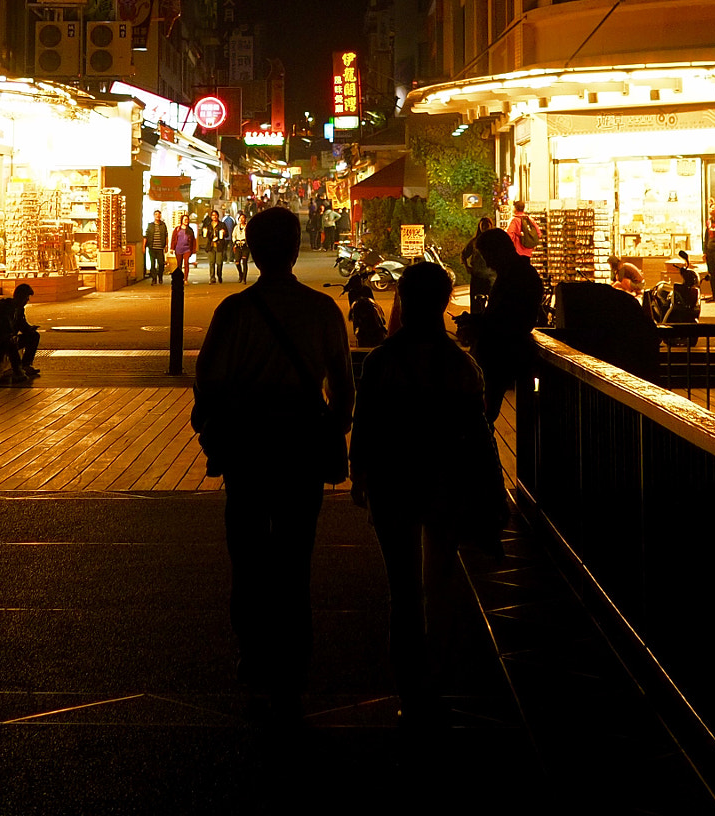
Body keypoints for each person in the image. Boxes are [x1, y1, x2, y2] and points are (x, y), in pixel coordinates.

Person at [192, 207, 354, 725]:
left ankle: (254, 652)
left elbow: (209, 380)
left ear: (254, 252)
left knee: (247, 551)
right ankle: (293, 665)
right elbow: (344, 386)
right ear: (296, 247)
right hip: (302, 444)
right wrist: (336, 427)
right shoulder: (323, 309)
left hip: (247, 444)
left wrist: (209, 426)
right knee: (294, 556)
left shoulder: (234, 312)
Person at [350, 260, 505, 729]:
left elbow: (366, 428)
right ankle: (436, 678)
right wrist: (493, 494)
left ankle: (408, 683)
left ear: (402, 300)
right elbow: (479, 437)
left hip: (392, 484)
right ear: (443, 303)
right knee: (439, 583)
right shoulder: (461, 365)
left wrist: (360, 477)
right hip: (444, 484)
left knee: (402, 587)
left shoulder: (381, 362)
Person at [470, 226, 543, 423]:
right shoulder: (520, 274)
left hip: (501, 354)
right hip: (504, 353)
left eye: (487, 255)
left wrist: (478, 323)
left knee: (485, 412)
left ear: (497, 252)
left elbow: (507, 320)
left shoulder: (516, 278)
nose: (487, 262)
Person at [0, 282, 42, 384]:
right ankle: (18, 371)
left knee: (34, 336)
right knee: (11, 341)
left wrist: (30, 329)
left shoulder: (18, 310)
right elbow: (3, 329)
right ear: (20, 297)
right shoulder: (4, 307)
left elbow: (22, 326)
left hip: (7, 339)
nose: (27, 301)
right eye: (26, 298)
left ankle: (26, 365)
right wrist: (12, 335)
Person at [460, 216, 496, 314]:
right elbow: (464, 254)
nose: (485, 226)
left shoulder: (495, 241)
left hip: (491, 277)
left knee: (494, 305)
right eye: (483, 224)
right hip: (477, 276)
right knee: (476, 306)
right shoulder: (474, 242)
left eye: (487, 224)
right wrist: (467, 267)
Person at [171, 213, 197, 281]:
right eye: (185, 219)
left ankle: (185, 279)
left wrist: (194, 250)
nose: (186, 221)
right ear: (182, 220)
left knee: (186, 263)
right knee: (179, 264)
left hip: (187, 249)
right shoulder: (177, 229)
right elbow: (173, 239)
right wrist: (172, 248)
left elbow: (193, 240)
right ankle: (179, 278)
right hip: (178, 249)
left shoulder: (190, 230)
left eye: (187, 219)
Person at [144, 210, 169, 283]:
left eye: (159, 214)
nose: (157, 216)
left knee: (161, 263)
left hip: (160, 248)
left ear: (160, 216)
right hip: (152, 247)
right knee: (152, 264)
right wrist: (144, 246)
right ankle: (154, 278)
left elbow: (166, 236)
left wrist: (166, 245)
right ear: (154, 216)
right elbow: (146, 236)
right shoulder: (150, 225)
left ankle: (160, 276)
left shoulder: (163, 225)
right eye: (156, 214)